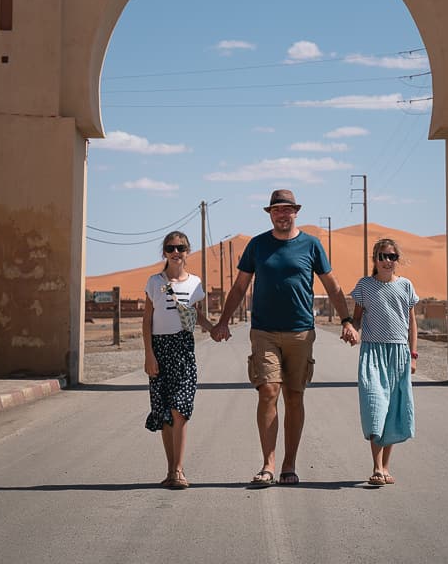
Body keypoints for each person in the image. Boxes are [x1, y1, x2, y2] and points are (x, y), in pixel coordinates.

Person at [212, 189, 358, 487]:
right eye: (276, 210)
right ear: (270, 213)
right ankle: (268, 464)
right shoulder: (257, 245)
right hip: (263, 330)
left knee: (294, 396)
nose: (282, 214)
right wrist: (223, 321)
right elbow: (240, 287)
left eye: (287, 209)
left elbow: (332, 285)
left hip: (301, 332)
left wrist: (347, 321)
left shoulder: (311, 245)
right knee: (268, 391)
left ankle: (289, 464)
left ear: (296, 212)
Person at [143, 230, 214, 489]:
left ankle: (179, 470)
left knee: (179, 409)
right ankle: (171, 470)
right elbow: (147, 321)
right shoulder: (153, 282)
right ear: (164, 252)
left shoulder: (194, 283)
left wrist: (215, 329)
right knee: (164, 413)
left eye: (181, 248)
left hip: (183, 348)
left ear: (187, 252)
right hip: (159, 349)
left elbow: (195, 315)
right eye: (171, 248)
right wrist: (149, 354)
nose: (176, 252)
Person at [350, 237, 419, 487]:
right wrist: (352, 330)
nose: (387, 261)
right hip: (372, 354)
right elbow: (357, 319)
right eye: (382, 256)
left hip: (399, 354)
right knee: (374, 407)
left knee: (392, 411)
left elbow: (412, 324)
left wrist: (413, 355)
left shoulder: (406, 286)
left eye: (392, 257)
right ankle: (376, 466)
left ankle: (384, 468)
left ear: (397, 260)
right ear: (375, 259)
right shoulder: (364, 286)